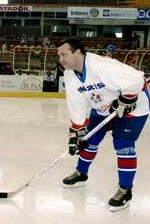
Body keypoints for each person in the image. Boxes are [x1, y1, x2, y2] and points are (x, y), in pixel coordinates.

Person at [57, 38, 149, 212]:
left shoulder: (101, 65)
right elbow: (76, 103)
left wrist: (126, 99)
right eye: (59, 55)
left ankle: (125, 190)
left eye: (64, 54)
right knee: (88, 140)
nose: (61, 59)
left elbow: (136, 80)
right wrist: (77, 132)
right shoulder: (69, 74)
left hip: (133, 108)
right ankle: (81, 174)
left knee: (123, 145)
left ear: (77, 52)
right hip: (103, 108)